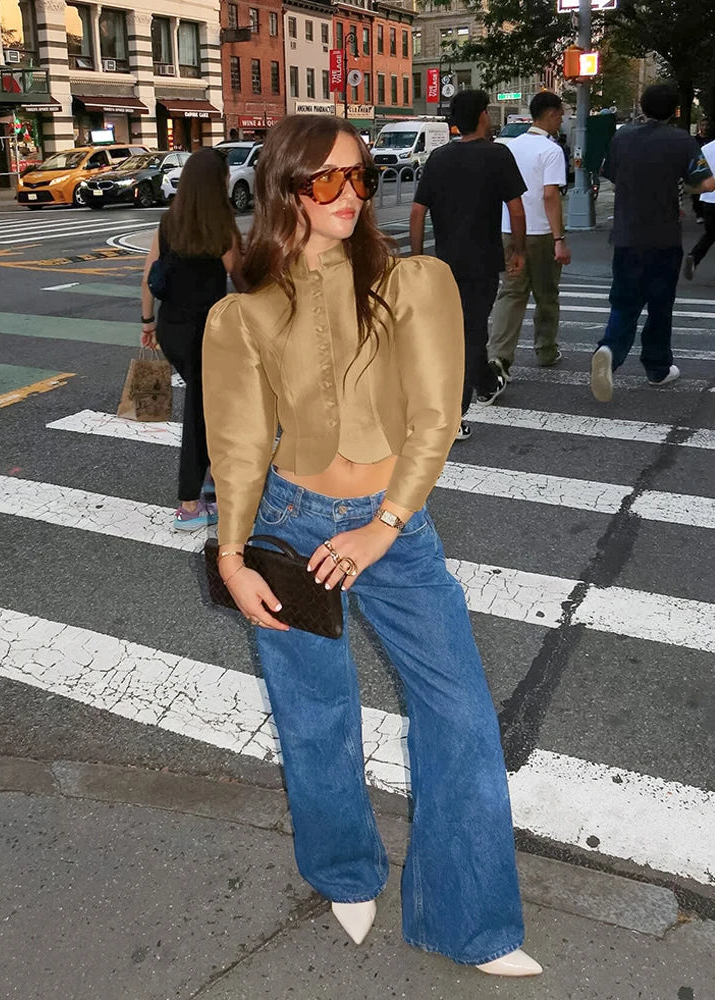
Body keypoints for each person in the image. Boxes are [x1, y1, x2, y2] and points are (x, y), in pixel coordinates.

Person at [202, 114, 542, 978]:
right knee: (315, 717)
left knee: (460, 714)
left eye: (360, 177)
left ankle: (469, 922)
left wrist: (382, 527)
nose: (351, 194)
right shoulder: (242, 313)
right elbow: (239, 445)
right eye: (326, 182)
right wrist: (233, 557)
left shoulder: (413, 281)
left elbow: (437, 419)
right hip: (289, 522)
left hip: (396, 527)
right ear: (284, 190)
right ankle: (345, 872)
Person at [410, 90, 527, 440]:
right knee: (470, 334)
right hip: (483, 260)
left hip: (445, 263)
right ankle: (453, 414)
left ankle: (488, 385)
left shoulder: (439, 158)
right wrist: (518, 250)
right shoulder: (497, 155)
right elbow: (517, 209)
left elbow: (417, 213)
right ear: (482, 117)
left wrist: (417, 258)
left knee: (462, 330)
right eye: (488, 113)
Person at [140, 147, 246, 529]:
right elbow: (241, 279)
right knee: (202, 414)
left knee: (208, 408)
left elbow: (149, 276)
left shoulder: (170, 222)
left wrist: (148, 323)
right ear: (216, 182)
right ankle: (190, 503)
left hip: (172, 328)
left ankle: (213, 485)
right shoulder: (223, 226)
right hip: (209, 332)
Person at [590, 85, 714, 402]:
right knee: (660, 305)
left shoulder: (623, 137)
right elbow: (706, 182)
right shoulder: (682, 141)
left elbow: (612, 174)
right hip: (663, 237)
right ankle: (657, 368)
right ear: (675, 110)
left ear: (643, 106)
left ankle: (609, 349)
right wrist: (678, 187)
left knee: (625, 301)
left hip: (627, 235)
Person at [487, 91, 571, 386]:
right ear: (549, 114)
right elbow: (550, 195)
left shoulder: (508, 146)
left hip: (509, 229)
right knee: (546, 293)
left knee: (511, 292)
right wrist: (559, 238)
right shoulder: (551, 151)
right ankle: (545, 349)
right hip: (542, 232)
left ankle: (498, 355)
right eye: (560, 114)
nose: (562, 119)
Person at [684, 124, 715, 280]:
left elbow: (696, 175)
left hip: (709, 200)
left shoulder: (706, 149)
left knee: (710, 235)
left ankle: (694, 256)